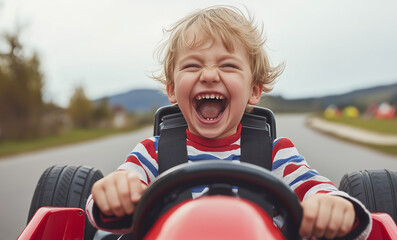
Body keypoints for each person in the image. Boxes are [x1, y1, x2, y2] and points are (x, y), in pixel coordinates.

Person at [86, 5, 372, 239]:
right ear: (172, 90)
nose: (209, 74)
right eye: (193, 65)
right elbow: (110, 201)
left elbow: (318, 189)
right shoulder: (152, 153)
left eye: (228, 65)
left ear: (254, 91)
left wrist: (331, 205)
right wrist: (116, 192)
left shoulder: (276, 154)